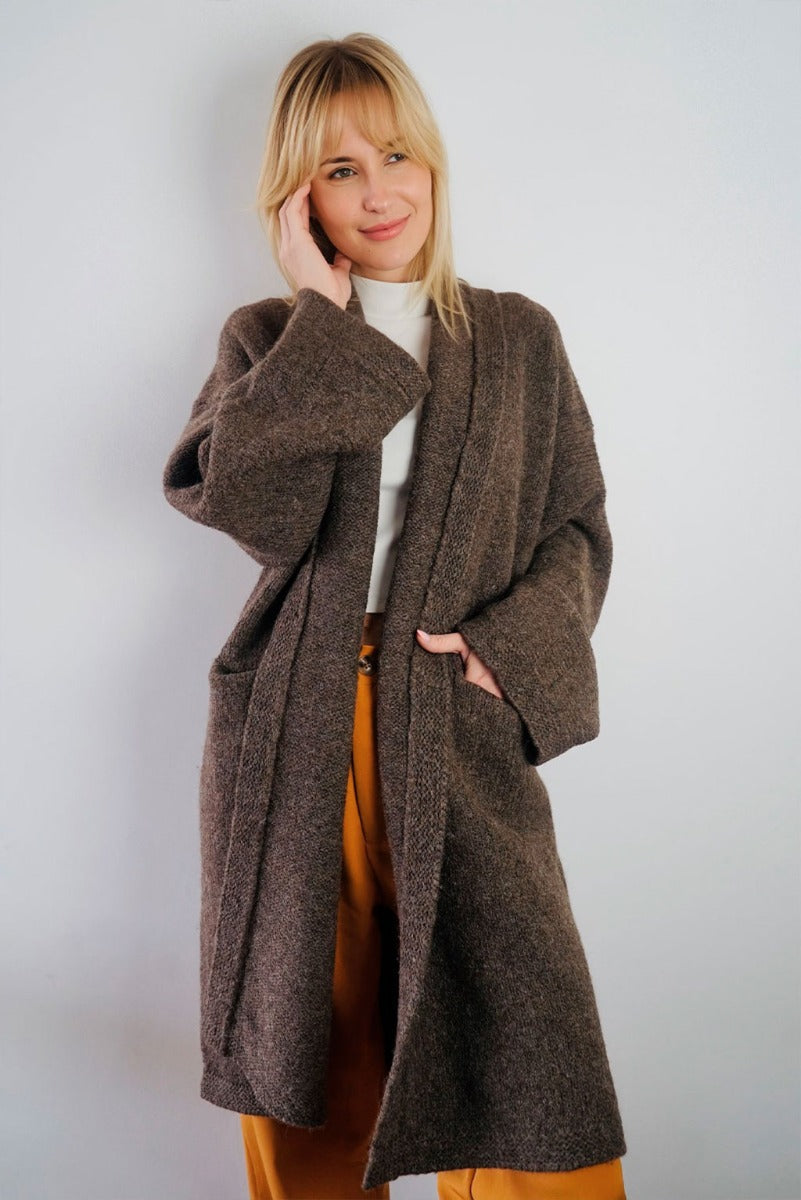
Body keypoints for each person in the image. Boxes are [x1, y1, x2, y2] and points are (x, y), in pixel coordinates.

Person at [162, 31, 628, 1200]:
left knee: (528, 1087)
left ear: (433, 163)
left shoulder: (517, 338)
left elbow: (575, 530)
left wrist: (508, 657)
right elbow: (253, 510)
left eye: (397, 156)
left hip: (459, 728)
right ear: (298, 199)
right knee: (310, 1083)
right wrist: (325, 328)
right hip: (298, 741)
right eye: (340, 169)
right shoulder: (268, 342)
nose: (379, 192)